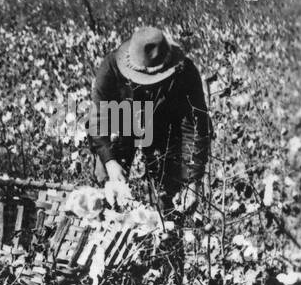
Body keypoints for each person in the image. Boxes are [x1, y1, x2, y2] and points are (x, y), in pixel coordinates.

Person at [88, 26, 212, 214]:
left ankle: (166, 230)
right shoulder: (111, 68)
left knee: (170, 197)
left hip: (166, 128)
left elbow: (195, 126)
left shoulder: (185, 72)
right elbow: (99, 119)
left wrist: (192, 181)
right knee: (106, 192)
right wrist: (110, 162)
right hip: (122, 123)